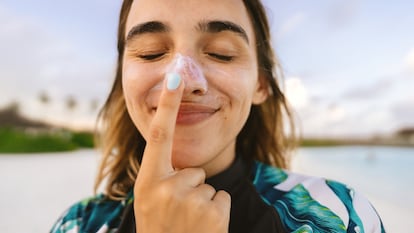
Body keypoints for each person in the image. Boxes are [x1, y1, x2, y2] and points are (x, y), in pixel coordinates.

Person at [51, 0, 386, 232]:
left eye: (221, 54)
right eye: (151, 52)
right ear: (123, 81)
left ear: (260, 84)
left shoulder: (343, 217)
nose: (183, 81)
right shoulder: (77, 224)